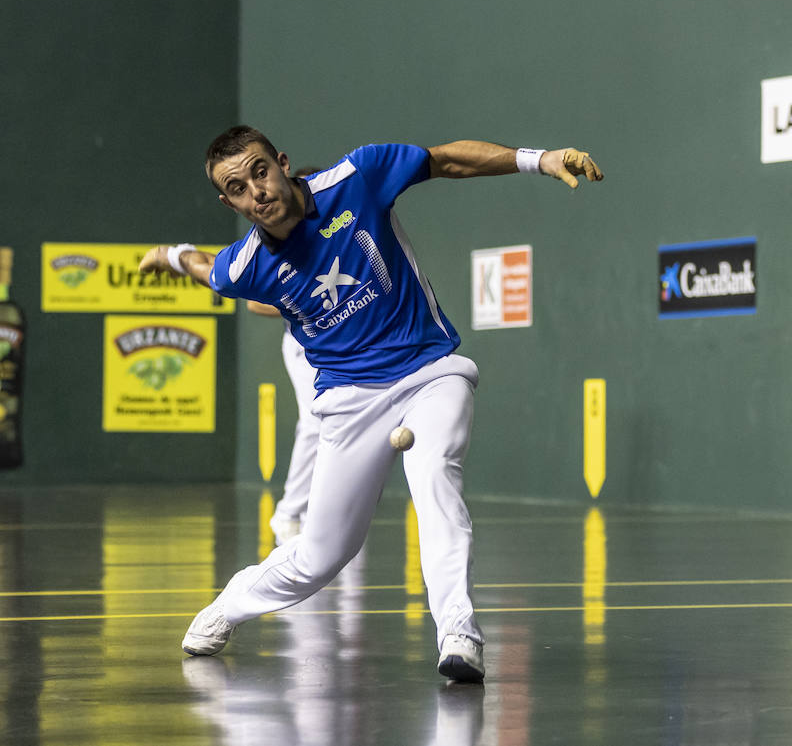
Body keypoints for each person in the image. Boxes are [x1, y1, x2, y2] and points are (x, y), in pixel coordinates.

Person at [140, 126, 603, 681]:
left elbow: (447, 161)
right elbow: (208, 271)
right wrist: (175, 255)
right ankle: (226, 607)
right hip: (349, 402)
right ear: (229, 202)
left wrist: (540, 158)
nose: (256, 191)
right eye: (237, 188)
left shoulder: (358, 178)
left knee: (434, 475)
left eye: (260, 171)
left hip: (430, 372)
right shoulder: (245, 266)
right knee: (319, 557)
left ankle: (458, 632)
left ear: (282, 163)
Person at [248, 166, 325, 547]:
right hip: (301, 345)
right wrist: (302, 306)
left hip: (339, 345)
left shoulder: (334, 234)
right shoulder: (275, 240)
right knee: (314, 421)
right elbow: (253, 304)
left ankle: (317, 513)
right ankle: (288, 513)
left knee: (341, 425)